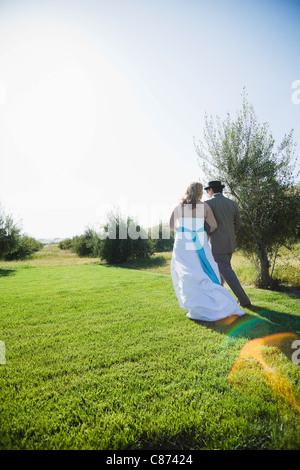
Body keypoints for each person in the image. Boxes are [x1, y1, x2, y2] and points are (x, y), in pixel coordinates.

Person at [170, 182, 245, 322]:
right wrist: (202, 233)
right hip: (198, 239)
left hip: (182, 241)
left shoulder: (179, 206)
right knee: (203, 269)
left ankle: (194, 305)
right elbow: (214, 225)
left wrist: (182, 233)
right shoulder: (204, 206)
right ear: (200, 192)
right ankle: (215, 301)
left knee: (186, 272)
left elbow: (171, 225)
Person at [204, 180, 251, 308]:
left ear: (211, 190)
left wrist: (209, 232)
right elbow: (239, 224)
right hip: (230, 243)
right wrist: (228, 232)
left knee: (226, 271)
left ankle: (244, 300)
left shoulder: (208, 204)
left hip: (217, 244)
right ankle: (220, 298)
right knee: (220, 272)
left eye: (208, 190)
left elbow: (206, 225)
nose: (208, 193)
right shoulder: (232, 203)